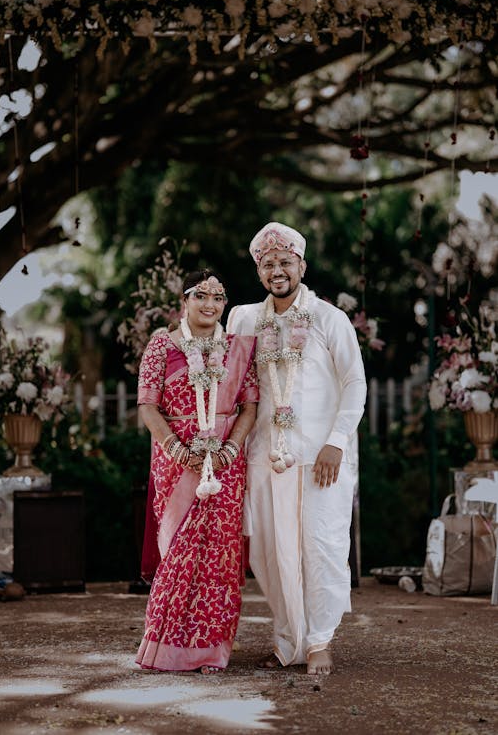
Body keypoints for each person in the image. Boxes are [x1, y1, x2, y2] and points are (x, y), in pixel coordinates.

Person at [227, 222, 367, 675]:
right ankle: (288, 642)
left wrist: (336, 442)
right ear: (259, 271)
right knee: (270, 553)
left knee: (320, 546)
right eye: (268, 264)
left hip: (319, 457)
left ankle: (320, 641)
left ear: (302, 266)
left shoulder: (329, 318)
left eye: (286, 262)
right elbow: (232, 384)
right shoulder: (245, 319)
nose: (277, 270)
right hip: (266, 455)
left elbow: (355, 383)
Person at [135, 269, 258, 674]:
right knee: (178, 552)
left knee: (220, 555)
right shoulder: (161, 345)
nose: (210, 304)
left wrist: (230, 449)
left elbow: (250, 406)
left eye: (218, 296)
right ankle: (165, 648)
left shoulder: (238, 348)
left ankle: (211, 652)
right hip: (176, 460)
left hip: (224, 461)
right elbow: (148, 406)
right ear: (184, 300)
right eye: (201, 295)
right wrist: (176, 448)